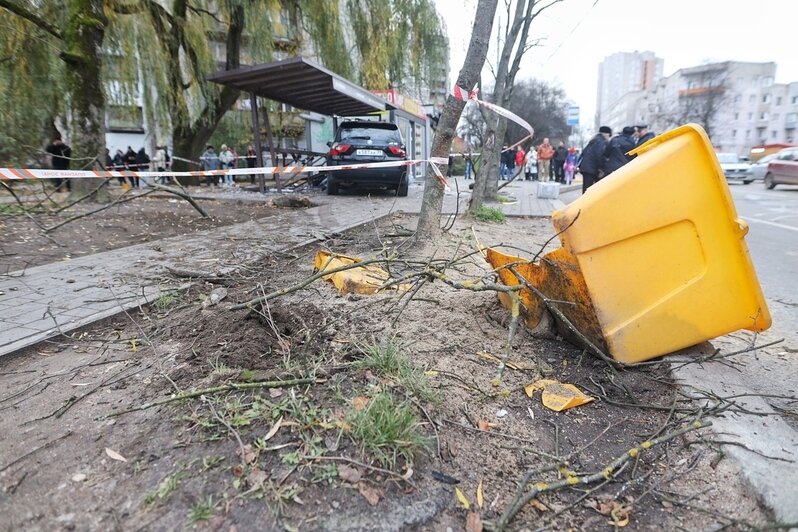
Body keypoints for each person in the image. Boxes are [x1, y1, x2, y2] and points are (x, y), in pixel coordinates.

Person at [578, 126, 612, 193]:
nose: (609, 137)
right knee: (590, 189)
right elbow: (599, 155)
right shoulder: (602, 142)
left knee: (586, 188)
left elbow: (583, 153)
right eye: (609, 135)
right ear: (606, 134)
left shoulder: (593, 140)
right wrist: (601, 168)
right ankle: (587, 202)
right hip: (591, 168)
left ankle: (585, 202)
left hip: (586, 167)